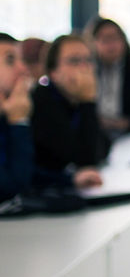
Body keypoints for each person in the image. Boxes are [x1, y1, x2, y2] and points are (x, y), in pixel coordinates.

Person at [30, 34, 106, 188]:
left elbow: (104, 145)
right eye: (74, 61)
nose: (84, 68)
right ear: (53, 73)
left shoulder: (73, 102)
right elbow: (85, 160)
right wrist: (88, 101)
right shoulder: (42, 100)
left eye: (88, 60)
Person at [0, 32, 35, 203]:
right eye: (10, 60)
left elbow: (28, 168)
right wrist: (19, 122)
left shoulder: (8, 110)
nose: (23, 69)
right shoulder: (16, 112)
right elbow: (11, 188)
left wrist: (69, 179)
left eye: (22, 60)